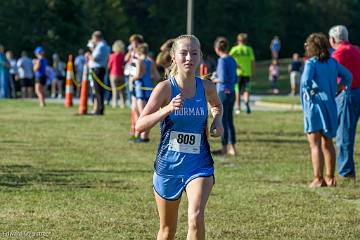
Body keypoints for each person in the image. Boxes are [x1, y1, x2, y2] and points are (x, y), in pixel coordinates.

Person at [135, 35, 223, 240]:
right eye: (183, 53)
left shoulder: (206, 87)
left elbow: (217, 106)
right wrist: (167, 108)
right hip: (168, 167)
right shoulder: (165, 88)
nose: (188, 58)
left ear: (200, 56)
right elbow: (140, 125)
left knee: (196, 217)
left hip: (199, 164)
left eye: (194, 53)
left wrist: (216, 120)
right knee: (167, 231)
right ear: (173, 56)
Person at [300, 33, 352, 188]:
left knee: (314, 144)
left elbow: (306, 83)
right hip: (330, 105)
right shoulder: (332, 62)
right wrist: (339, 87)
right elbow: (348, 76)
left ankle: (318, 178)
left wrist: (313, 92)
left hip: (315, 107)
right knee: (328, 142)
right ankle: (330, 178)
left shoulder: (311, 63)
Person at [329, 25, 360, 179]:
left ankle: (346, 171)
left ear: (333, 39)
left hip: (348, 94)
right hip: (358, 90)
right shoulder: (356, 50)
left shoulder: (338, 54)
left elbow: (332, 77)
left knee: (344, 134)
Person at [212, 37, 237, 156]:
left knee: (223, 120)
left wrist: (213, 79)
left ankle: (224, 148)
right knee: (229, 120)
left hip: (223, 92)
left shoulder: (222, 60)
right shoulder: (232, 59)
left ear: (217, 49)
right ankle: (232, 147)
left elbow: (222, 79)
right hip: (232, 92)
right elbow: (234, 78)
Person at [130, 43, 160, 142]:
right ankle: (144, 135)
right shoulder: (151, 62)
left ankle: (142, 136)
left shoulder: (139, 61)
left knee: (141, 114)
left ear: (139, 52)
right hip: (149, 88)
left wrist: (131, 78)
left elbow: (138, 75)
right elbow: (157, 77)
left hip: (140, 89)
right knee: (146, 113)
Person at [229, 33, 255, 114]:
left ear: (238, 40)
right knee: (246, 90)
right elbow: (253, 61)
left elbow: (228, 58)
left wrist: (235, 65)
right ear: (246, 41)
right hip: (247, 73)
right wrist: (253, 71)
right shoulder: (249, 49)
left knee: (237, 91)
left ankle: (238, 108)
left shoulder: (235, 49)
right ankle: (246, 101)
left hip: (238, 73)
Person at [87, 30, 110, 115]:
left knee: (98, 90)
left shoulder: (101, 46)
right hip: (99, 69)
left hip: (97, 69)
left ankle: (99, 109)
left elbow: (94, 58)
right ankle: (99, 109)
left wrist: (89, 55)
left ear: (96, 37)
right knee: (98, 90)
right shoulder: (103, 46)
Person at [108, 40, 125, 108]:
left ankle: (114, 103)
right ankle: (123, 104)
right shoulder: (122, 56)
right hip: (121, 74)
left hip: (113, 74)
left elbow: (109, 65)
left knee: (114, 90)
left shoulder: (112, 56)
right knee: (122, 91)